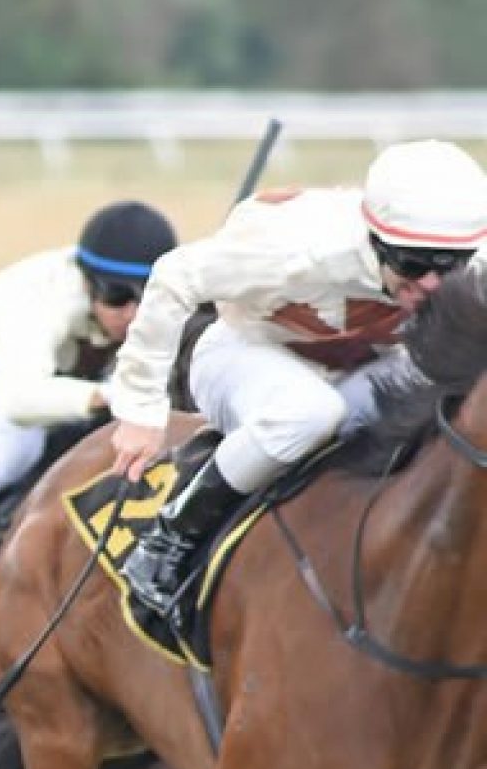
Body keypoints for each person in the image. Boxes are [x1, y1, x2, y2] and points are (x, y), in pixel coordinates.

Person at [110, 138, 487, 620]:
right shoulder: (299, 249)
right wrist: (140, 410)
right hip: (244, 355)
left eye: (448, 267)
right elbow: (172, 278)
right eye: (412, 265)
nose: (432, 285)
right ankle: (169, 539)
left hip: (356, 369)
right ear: (374, 240)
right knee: (310, 412)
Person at [0, 200, 179, 607]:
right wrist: (108, 396)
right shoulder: (46, 303)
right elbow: (17, 397)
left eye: (148, 297)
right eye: (116, 296)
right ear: (87, 282)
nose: (132, 313)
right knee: (12, 452)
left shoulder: (155, 303)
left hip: (72, 373)